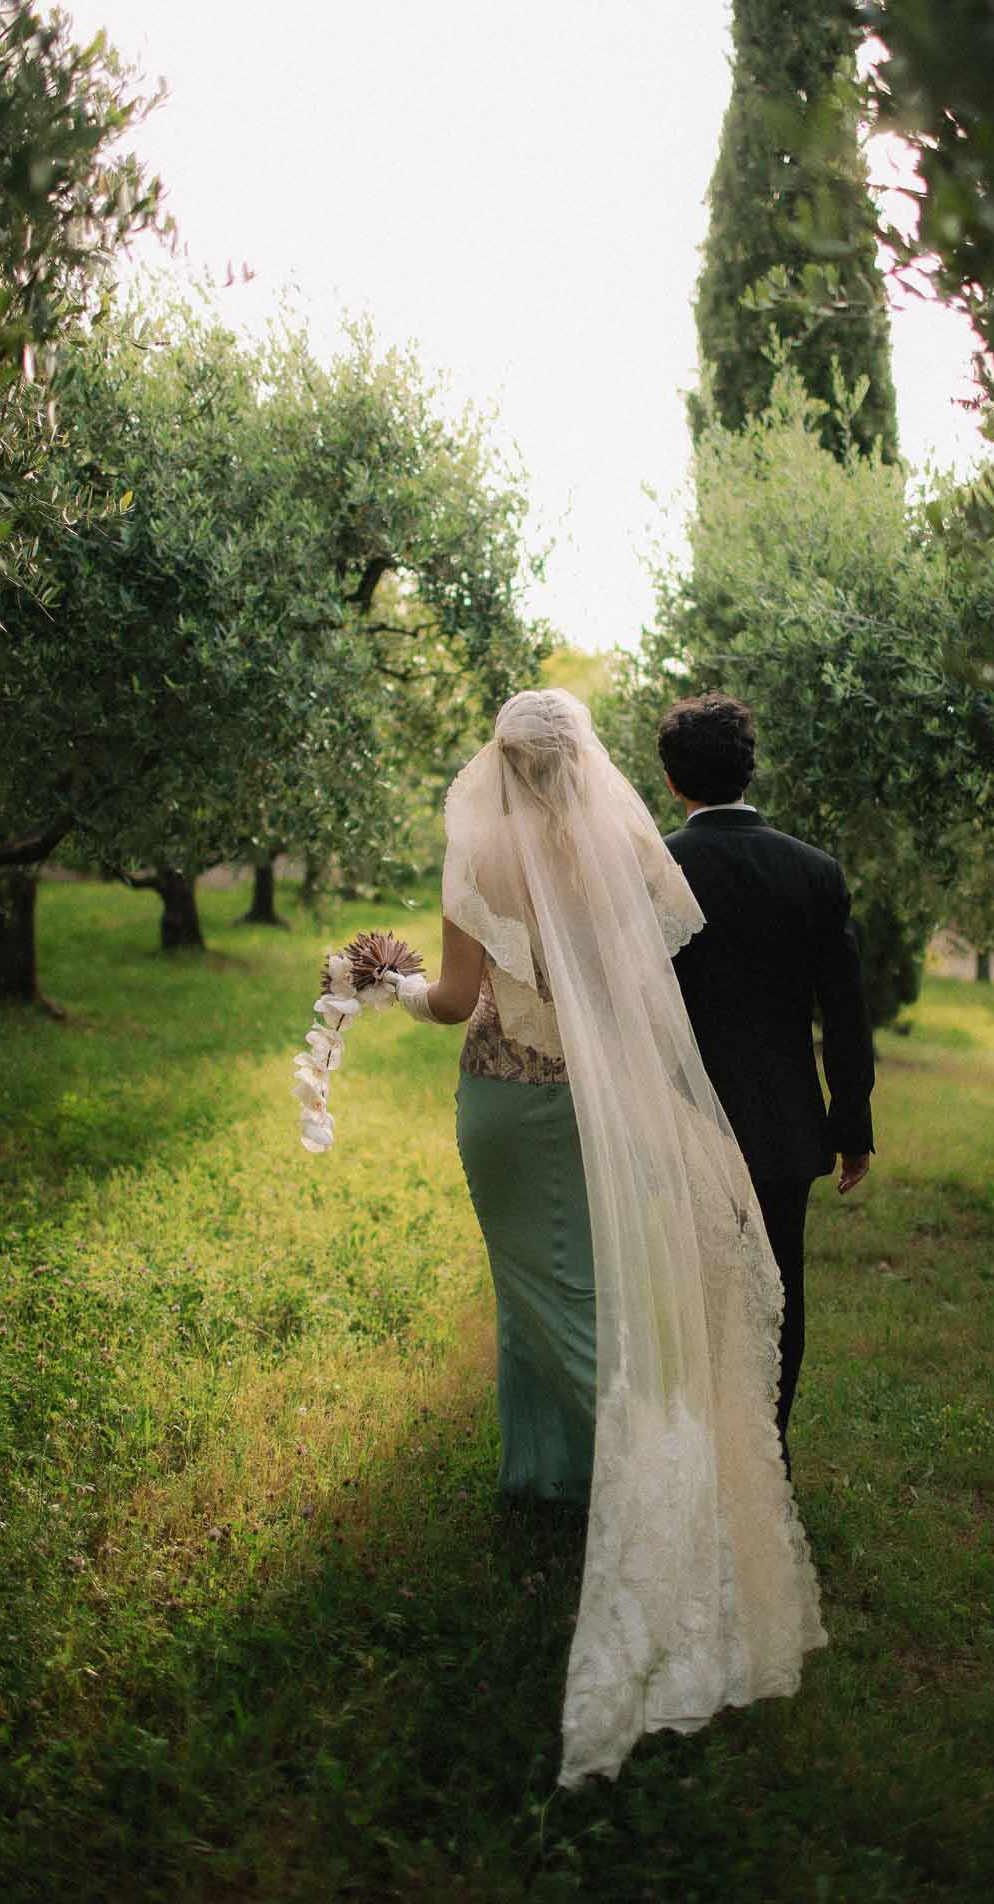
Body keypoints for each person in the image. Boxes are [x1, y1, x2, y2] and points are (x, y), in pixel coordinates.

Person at [388, 688, 825, 1788]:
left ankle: (667, 1489)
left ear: (500, 762)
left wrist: (376, 980)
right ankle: (545, 1471)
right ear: (581, 762)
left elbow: (452, 997)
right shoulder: (625, 854)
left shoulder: (483, 855)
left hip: (509, 1100)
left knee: (545, 1292)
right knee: (570, 1283)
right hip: (601, 1110)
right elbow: (647, 992)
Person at [658, 693, 875, 1473]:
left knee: (686, 1288)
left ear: (673, 780)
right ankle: (765, 1452)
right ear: (749, 768)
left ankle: (692, 1447)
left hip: (678, 1121)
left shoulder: (657, 869)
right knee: (780, 1290)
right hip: (785, 1125)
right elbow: (845, 1015)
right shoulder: (813, 872)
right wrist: (849, 1125)